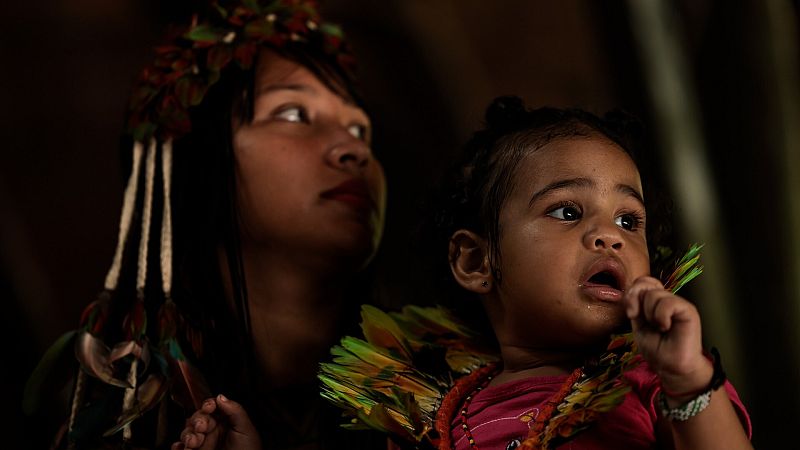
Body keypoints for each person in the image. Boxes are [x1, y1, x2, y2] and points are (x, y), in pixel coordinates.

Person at [175, 96, 754, 450]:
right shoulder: (424, 411)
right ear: (476, 261)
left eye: (631, 220)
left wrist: (688, 382)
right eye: (568, 211)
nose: (609, 235)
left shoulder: (654, 384)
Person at [27, 1, 388, 449]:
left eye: (360, 130)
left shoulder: (447, 400)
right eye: (293, 113)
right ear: (200, 167)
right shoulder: (133, 428)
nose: (351, 149)